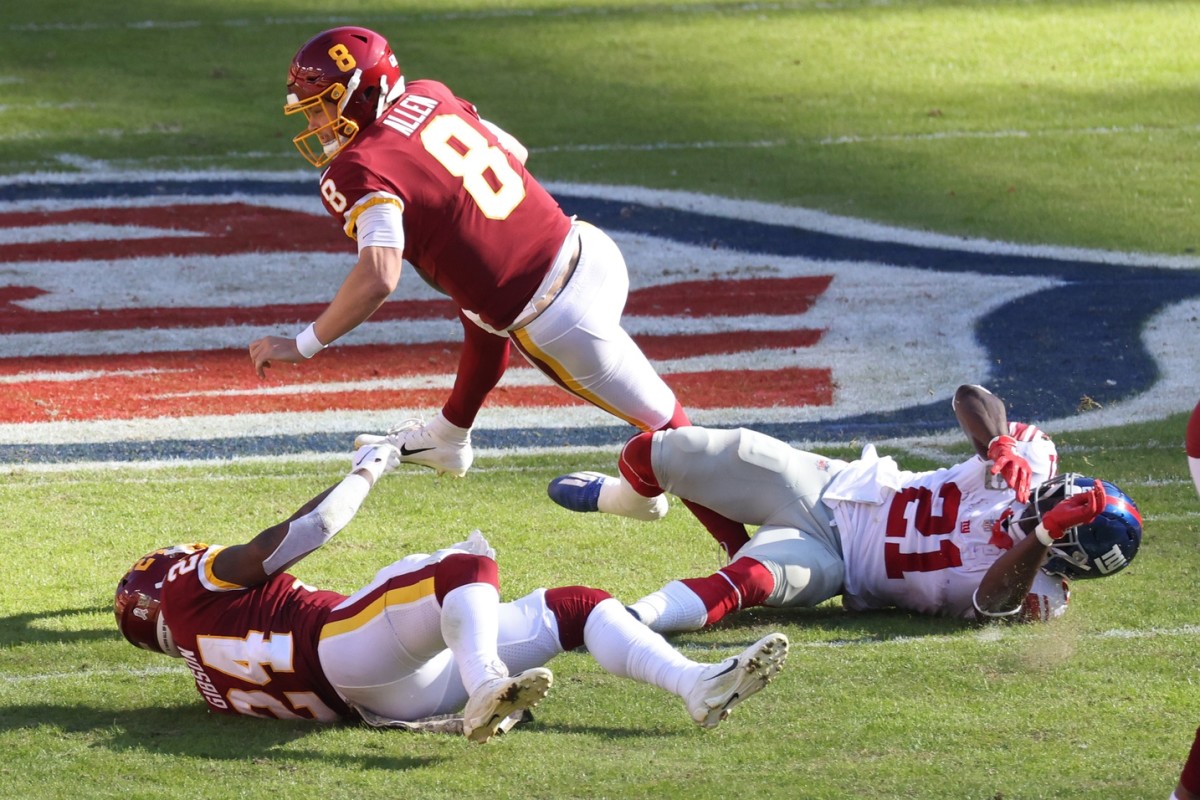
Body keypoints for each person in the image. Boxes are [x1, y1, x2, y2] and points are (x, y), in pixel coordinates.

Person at [246, 25, 750, 553]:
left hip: (559, 316)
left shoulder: (358, 169)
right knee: (475, 292)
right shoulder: (429, 94)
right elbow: (515, 151)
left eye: (322, 105)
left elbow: (379, 275)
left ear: (365, 92)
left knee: (669, 432)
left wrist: (304, 344)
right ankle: (449, 435)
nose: (314, 120)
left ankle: (732, 547)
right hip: (589, 246)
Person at [113, 438, 789, 742]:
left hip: (374, 697)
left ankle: (695, 685)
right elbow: (311, 527)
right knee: (462, 568)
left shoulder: (211, 687)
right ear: (164, 579)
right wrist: (369, 467)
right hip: (339, 646)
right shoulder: (186, 587)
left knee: (576, 607)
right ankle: (487, 681)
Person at [547, 384, 1143, 631]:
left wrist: (1036, 538)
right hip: (832, 487)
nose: (1043, 500)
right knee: (669, 449)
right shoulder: (1033, 460)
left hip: (842, 566)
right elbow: (970, 398)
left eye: (1057, 514)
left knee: (752, 579)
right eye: (1056, 496)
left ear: (1070, 555)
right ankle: (624, 500)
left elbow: (992, 603)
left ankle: (627, 622)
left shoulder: (1045, 594)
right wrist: (998, 441)